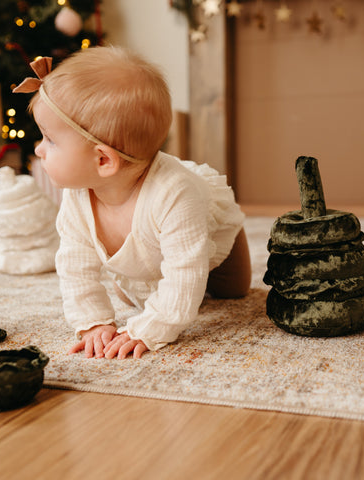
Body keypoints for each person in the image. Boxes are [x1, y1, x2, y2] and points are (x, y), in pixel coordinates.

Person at [14, 46, 251, 360]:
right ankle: (143, 278)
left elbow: (185, 274)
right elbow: (75, 267)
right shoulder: (79, 194)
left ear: (103, 160)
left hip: (207, 234)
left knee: (232, 290)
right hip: (146, 255)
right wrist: (93, 323)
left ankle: (220, 260)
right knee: (133, 295)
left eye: (50, 140)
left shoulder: (176, 194)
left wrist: (151, 329)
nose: (39, 149)